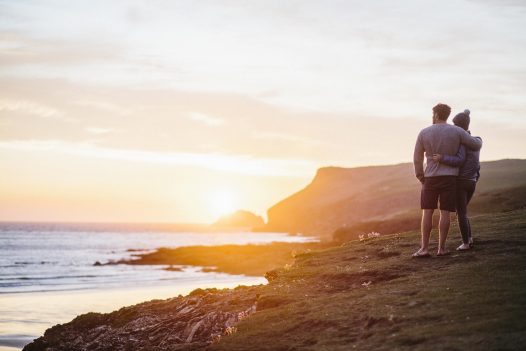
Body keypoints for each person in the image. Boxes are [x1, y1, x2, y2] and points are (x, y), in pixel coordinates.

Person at [412, 103, 482, 257]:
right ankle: (441, 249)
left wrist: (420, 175)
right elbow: (476, 144)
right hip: (450, 177)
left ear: (436, 114)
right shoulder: (457, 131)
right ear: (447, 115)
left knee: (427, 212)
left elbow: (417, 157)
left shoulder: (424, 132)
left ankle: (424, 249)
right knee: (445, 213)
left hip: (430, 178)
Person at [432, 109, 481, 251]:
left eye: (454, 124)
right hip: (472, 181)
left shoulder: (461, 143)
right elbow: (477, 164)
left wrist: (442, 158)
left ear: (458, 126)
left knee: (461, 212)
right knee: (463, 212)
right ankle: (469, 238)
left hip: (461, 182)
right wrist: (476, 177)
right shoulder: (477, 141)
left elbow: (459, 160)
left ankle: (466, 243)